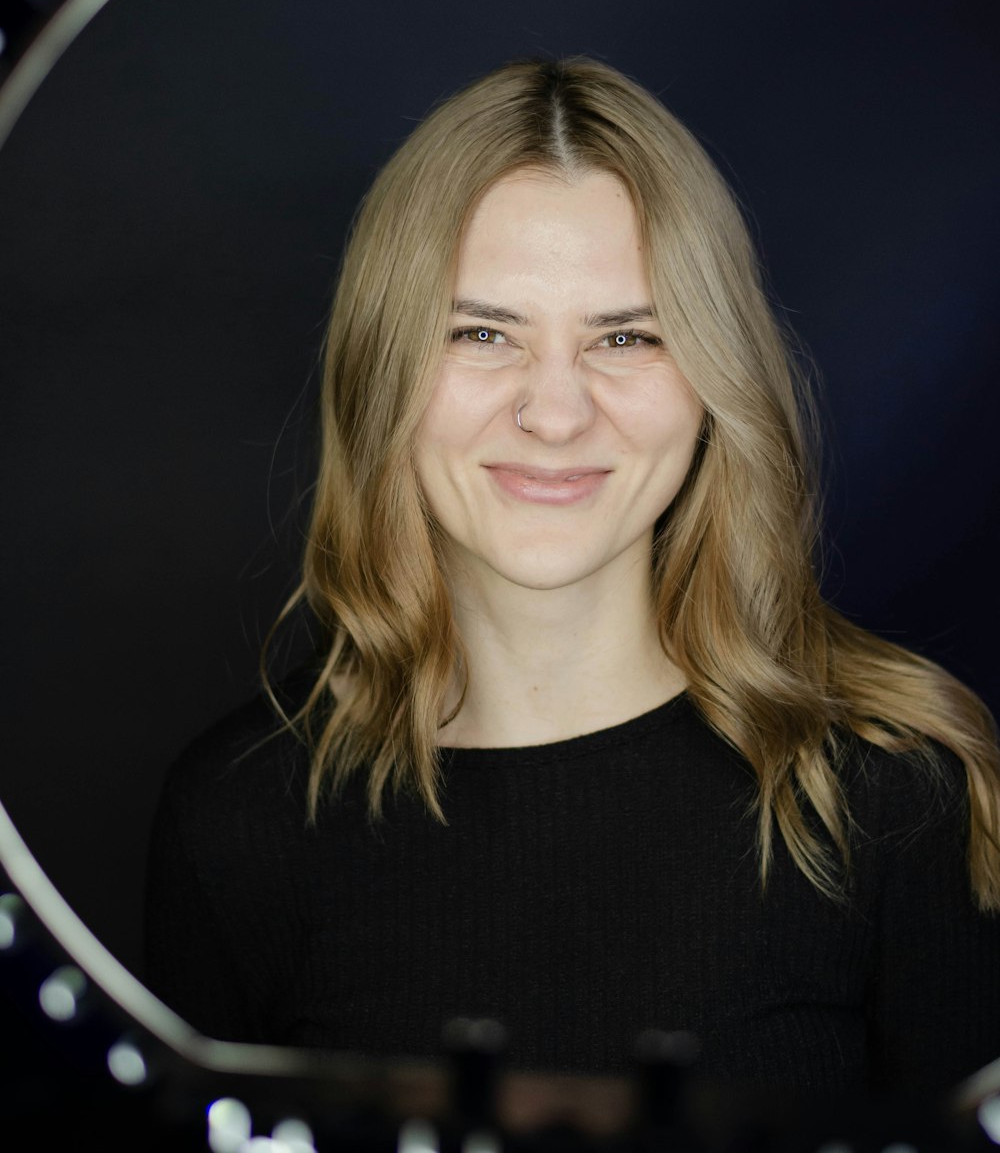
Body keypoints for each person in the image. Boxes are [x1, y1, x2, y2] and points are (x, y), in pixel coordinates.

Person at [144, 56, 1000, 1096]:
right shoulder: (236, 820)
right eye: (481, 332)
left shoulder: (897, 793)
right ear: (382, 373)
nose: (554, 414)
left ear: (712, 381)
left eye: (627, 336)